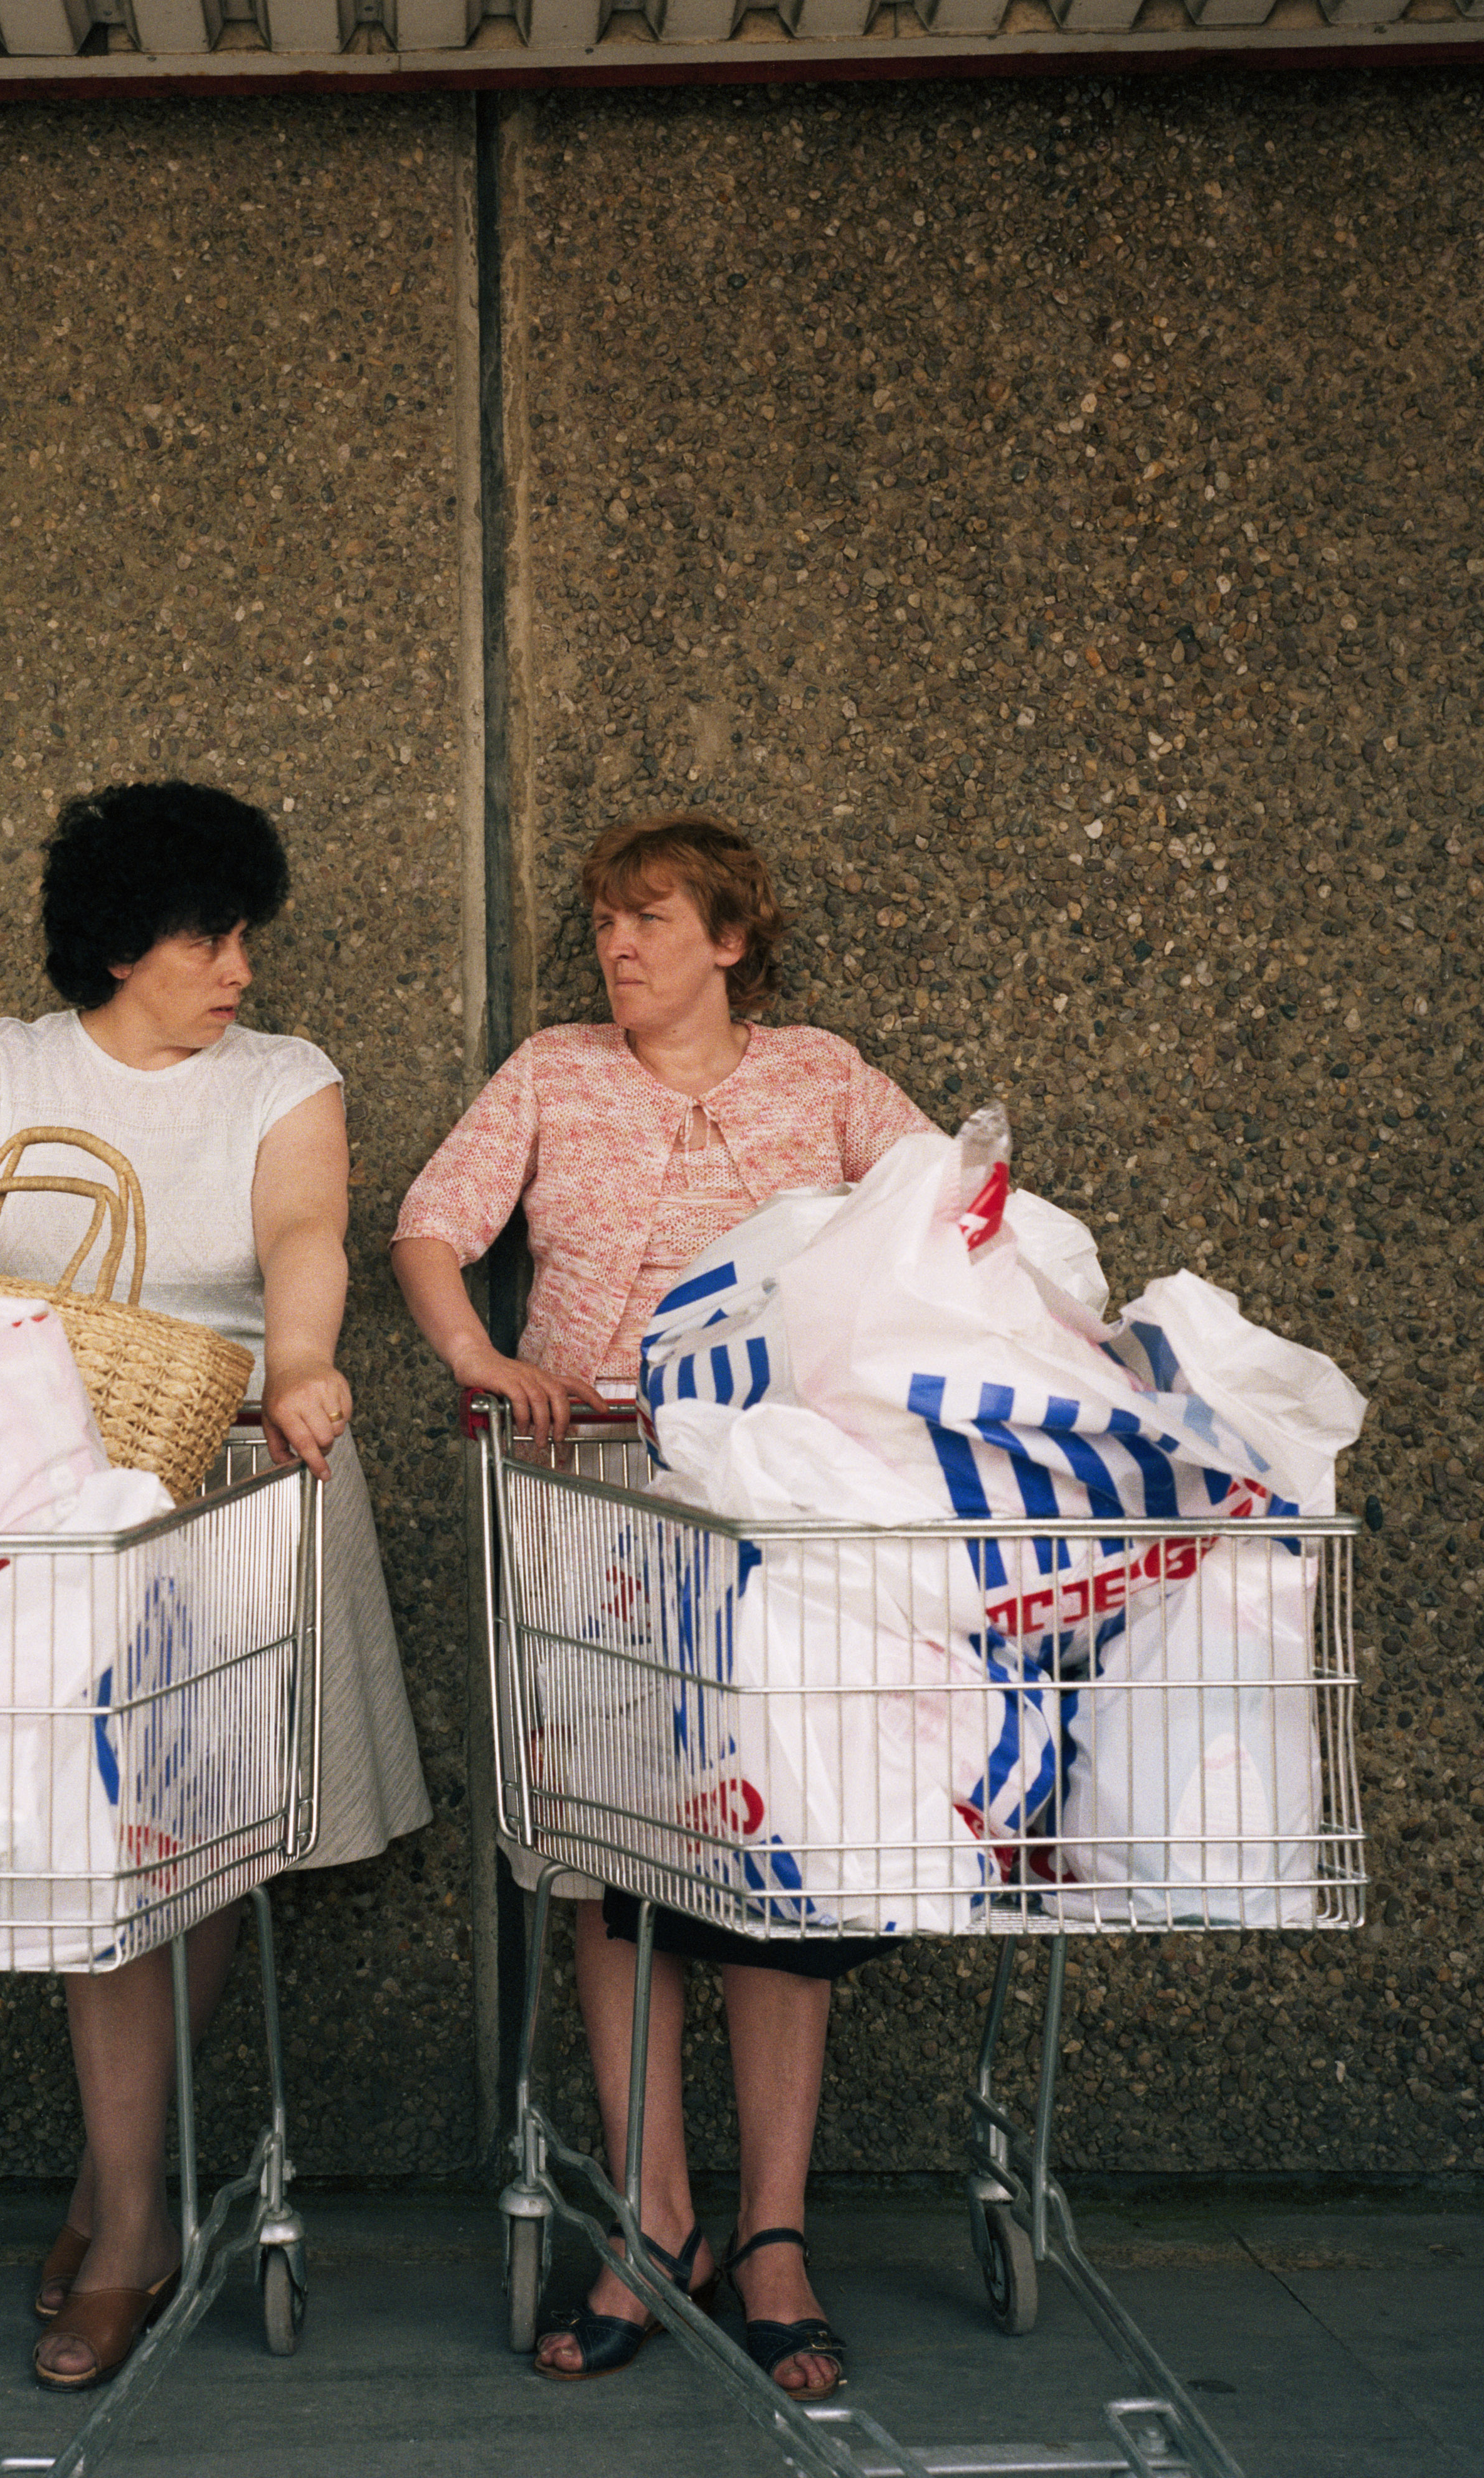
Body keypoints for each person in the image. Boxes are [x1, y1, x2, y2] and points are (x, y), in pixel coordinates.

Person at [0, 780, 430, 2393]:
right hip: (41, 1507)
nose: (238, 964)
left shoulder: (283, 1078)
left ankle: (125, 2213)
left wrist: (298, 1361)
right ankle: (129, 2194)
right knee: (96, 1855)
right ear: (116, 939)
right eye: (207, 933)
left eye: (247, 933)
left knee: (192, 1853)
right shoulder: (1, 1067)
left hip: (233, 1479)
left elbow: (305, 1229)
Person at [391, 810, 932, 2399]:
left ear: (730, 937)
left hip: (785, 1513)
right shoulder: (554, 1070)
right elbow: (431, 1223)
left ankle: (772, 2236)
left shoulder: (824, 1074)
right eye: (604, 924)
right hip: (594, 1498)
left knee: (787, 1852)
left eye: (648, 920)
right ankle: (650, 2220)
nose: (617, 948)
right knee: (612, 1863)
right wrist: (480, 1358)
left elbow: (946, 1219)